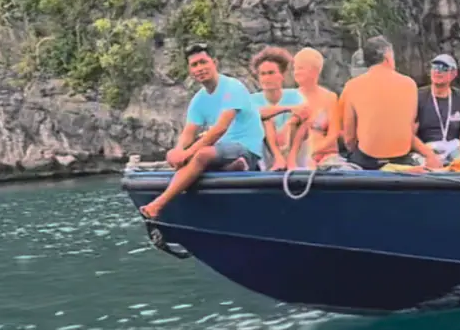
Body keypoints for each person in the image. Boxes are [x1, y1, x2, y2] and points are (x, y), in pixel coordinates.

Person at [140, 43, 265, 218]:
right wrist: (178, 151)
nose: (199, 68)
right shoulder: (198, 100)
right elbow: (188, 132)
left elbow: (220, 129)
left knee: (201, 154)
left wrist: (188, 152)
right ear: (190, 70)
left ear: (215, 62)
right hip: (222, 152)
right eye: (194, 65)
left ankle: (158, 204)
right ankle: (230, 167)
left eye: (203, 62)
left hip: (246, 148)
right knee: (182, 156)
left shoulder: (232, 87)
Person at [331, 36, 441, 170]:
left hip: (367, 160)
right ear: (387, 57)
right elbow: (408, 130)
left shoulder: (352, 86)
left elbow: (349, 138)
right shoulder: (409, 84)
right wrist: (429, 154)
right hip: (401, 159)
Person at [250, 46, 308, 170]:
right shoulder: (253, 99)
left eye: (271, 73)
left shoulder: (294, 95)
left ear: (282, 75)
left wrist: (288, 126)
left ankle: (291, 160)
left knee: (302, 121)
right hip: (268, 151)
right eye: (263, 74)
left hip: (291, 144)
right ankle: (278, 160)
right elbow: (256, 114)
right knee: (266, 121)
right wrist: (287, 108)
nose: (267, 78)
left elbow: (304, 112)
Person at [415, 54, 460, 162]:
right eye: (435, 67)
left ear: (454, 74)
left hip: (453, 149)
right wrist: (430, 155)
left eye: (444, 68)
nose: (438, 71)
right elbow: (409, 133)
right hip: (424, 150)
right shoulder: (418, 96)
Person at [286, 47, 341, 168]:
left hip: (325, 157)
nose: (296, 72)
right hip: (297, 156)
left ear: (315, 70)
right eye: (294, 68)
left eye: (300, 68)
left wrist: (313, 150)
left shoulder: (330, 97)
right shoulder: (290, 98)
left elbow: (334, 134)